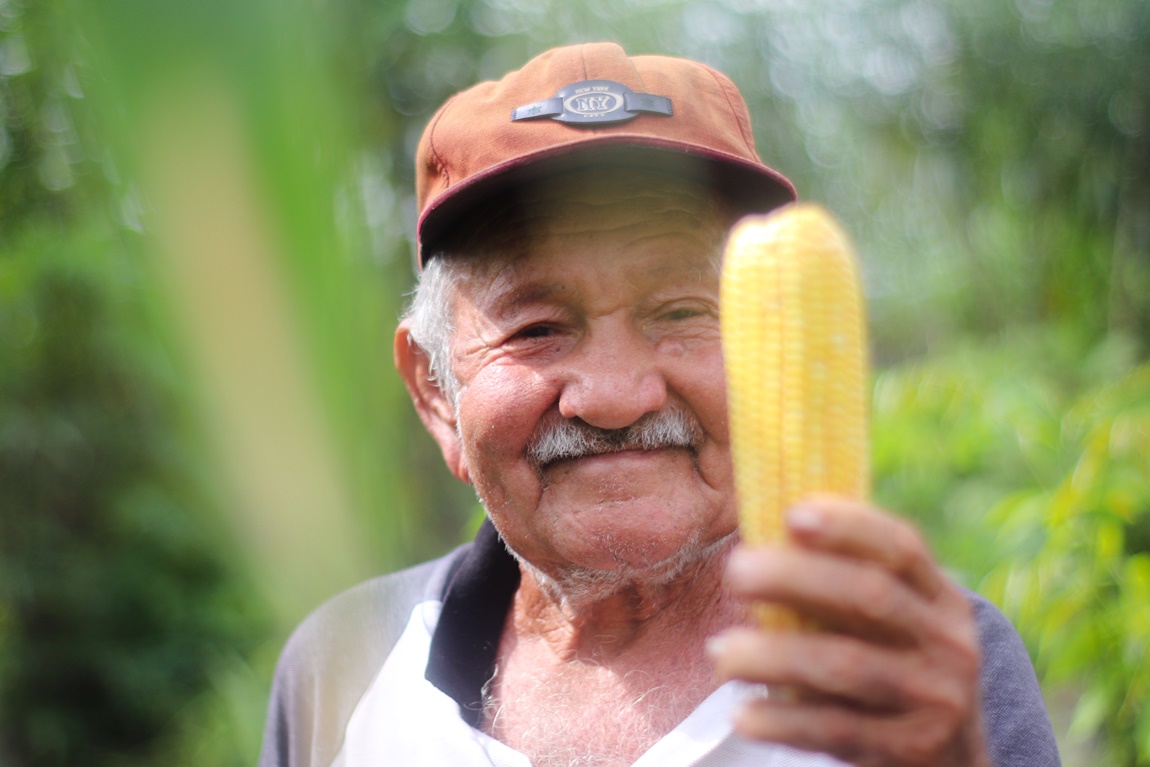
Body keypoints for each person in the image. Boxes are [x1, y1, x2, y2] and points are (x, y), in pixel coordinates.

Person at [259, 42, 1060, 767]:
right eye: (537, 326)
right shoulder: (340, 669)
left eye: (681, 312)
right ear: (437, 391)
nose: (614, 396)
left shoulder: (918, 675)